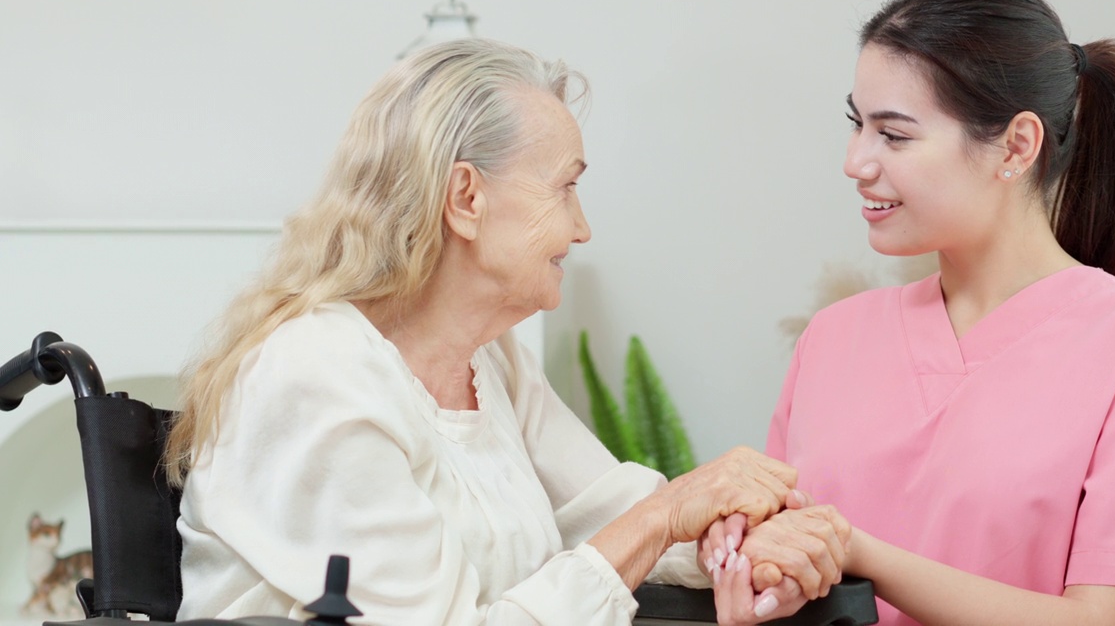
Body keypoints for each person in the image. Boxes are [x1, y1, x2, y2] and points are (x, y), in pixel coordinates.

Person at [162, 39, 844, 625]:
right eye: (564, 188)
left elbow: (614, 509)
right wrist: (671, 513)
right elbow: (647, 522)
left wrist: (742, 542)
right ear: (466, 198)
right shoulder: (312, 375)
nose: (582, 229)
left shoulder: (492, 363)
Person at [704, 0, 1115, 626]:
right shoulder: (833, 338)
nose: (855, 161)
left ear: (1016, 145)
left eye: (893, 135)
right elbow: (787, 553)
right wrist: (756, 563)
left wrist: (860, 554)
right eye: (857, 124)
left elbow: (1103, 620)